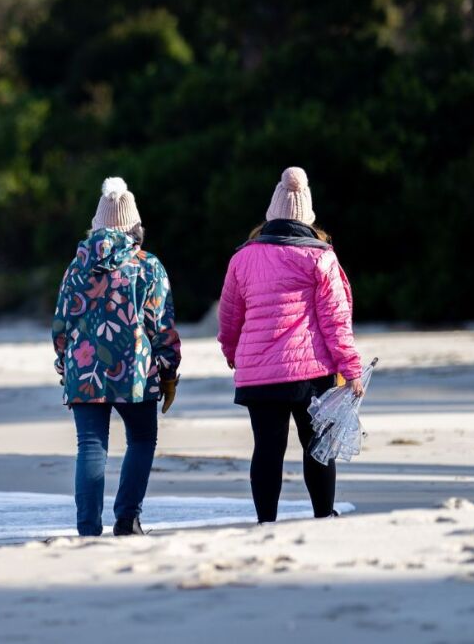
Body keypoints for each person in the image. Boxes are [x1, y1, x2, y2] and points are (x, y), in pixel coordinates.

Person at [217, 167, 363, 524]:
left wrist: (232, 353)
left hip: (258, 375)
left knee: (267, 449)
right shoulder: (321, 258)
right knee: (317, 447)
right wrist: (351, 369)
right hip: (310, 373)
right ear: (307, 217)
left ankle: (266, 521)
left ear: (273, 213)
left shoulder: (242, 257)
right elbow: (335, 321)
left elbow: (229, 317)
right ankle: (323, 516)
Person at [51, 177, 181, 537]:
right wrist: (169, 370)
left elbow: (61, 325)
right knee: (142, 440)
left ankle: (88, 528)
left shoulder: (76, 267)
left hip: (84, 370)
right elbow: (161, 325)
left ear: (95, 226)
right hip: (135, 372)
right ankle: (127, 519)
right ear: (136, 227)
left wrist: (65, 366)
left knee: (90, 446)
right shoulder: (148, 266)